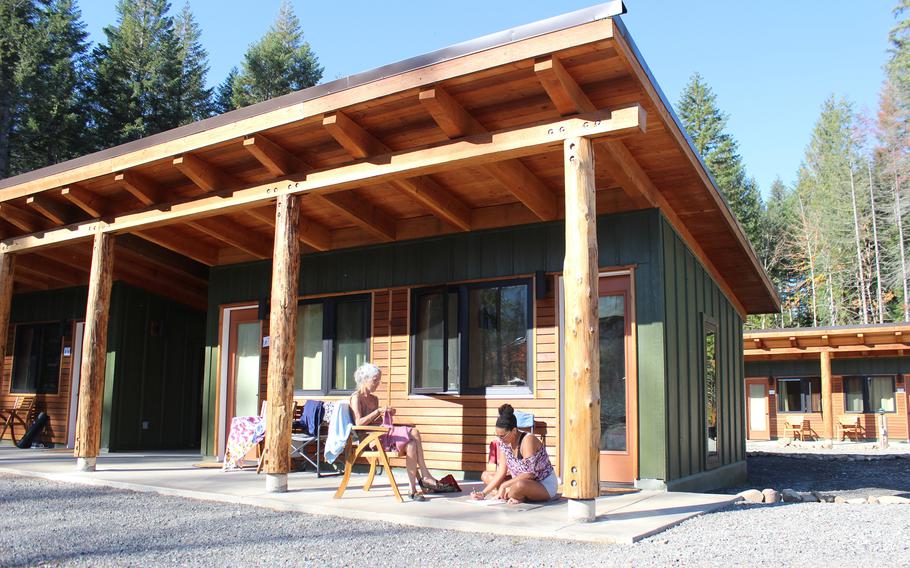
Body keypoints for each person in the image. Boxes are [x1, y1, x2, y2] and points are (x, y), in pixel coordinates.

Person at [349, 362, 441, 501]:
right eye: (375, 381)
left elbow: (376, 421)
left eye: (379, 381)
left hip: (380, 435)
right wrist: (378, 412)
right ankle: (425, 475)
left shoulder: (374, 398)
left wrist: (387, 414)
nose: (377, 384)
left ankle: (412, 489)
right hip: (369, 440)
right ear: (365, 379)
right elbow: (359, 423)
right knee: (414, 432)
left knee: (412, 445)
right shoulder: (356, 397)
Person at [471, 404, 558, 503]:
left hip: (541, 483)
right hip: (518, 481)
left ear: (514, 430)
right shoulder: (504, 443)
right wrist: (483, 493)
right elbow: (501, 472)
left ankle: (510, 493)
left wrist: (504, 485)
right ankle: (512, 494)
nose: (500, 439)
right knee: (486, 475)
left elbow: (529, 474)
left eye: (503, 436)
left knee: (519, 486)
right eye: (498, 436)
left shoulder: (528, 440)